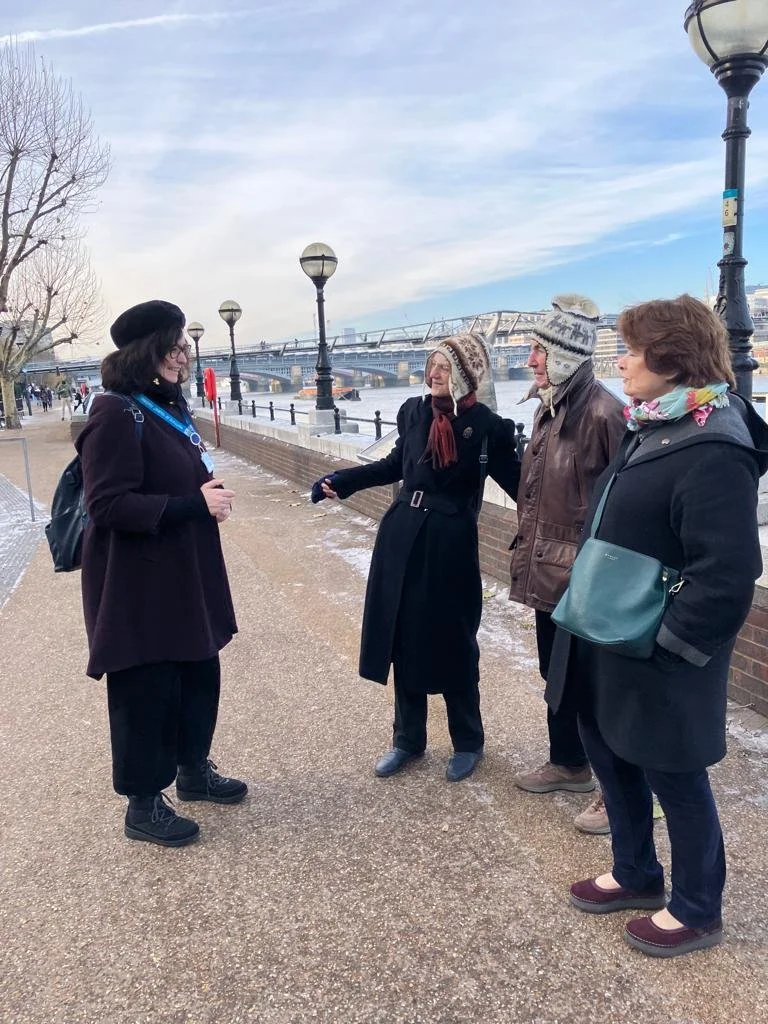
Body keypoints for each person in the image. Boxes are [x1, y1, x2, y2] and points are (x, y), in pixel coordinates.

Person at [546, 294, 768, 958]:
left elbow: (727, 572)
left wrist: (671, 646)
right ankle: (637, 873)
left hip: (655, 647)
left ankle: (698, 909)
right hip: (609, 634)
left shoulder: (714, 444)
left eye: (635, 348)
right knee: (613, 757)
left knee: (675, 774)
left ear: (672, 358)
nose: (624, 360)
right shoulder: (655, 422)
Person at [311, 333, 521, 782]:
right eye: (432, 365)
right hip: (402, 534)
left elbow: (523, 487)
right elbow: (394, 466)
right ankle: (408, 739)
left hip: (450, 544)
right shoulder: (414, 412)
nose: (434, 374)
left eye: (444, 367)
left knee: (454, 637)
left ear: (466, 374)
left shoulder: (488, 426)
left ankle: (468, 741)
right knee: (402, 635)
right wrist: (341, 481)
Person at [76, 299, 246, 847]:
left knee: (199, 673)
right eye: (173, 347)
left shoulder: (163, 407)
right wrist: (195, 504)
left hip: (186, 570)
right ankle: (143, 804)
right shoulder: (114, 411)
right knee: (146, 688)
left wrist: (201, 500)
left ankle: (193, 770)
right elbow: (107, 505)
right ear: (147, 352)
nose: (182, 356)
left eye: (183, 348)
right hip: (140, 582)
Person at [509, 295, 625, 835]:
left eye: (537, 350)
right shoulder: (548, 408)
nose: (530, 360)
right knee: (556, 676)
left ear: (562, 355)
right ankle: (569, 763)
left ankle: (617, 791)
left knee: (597, 686)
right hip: (547, 569)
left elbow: (622, 502)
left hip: (585, 576)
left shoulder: (603, 412)